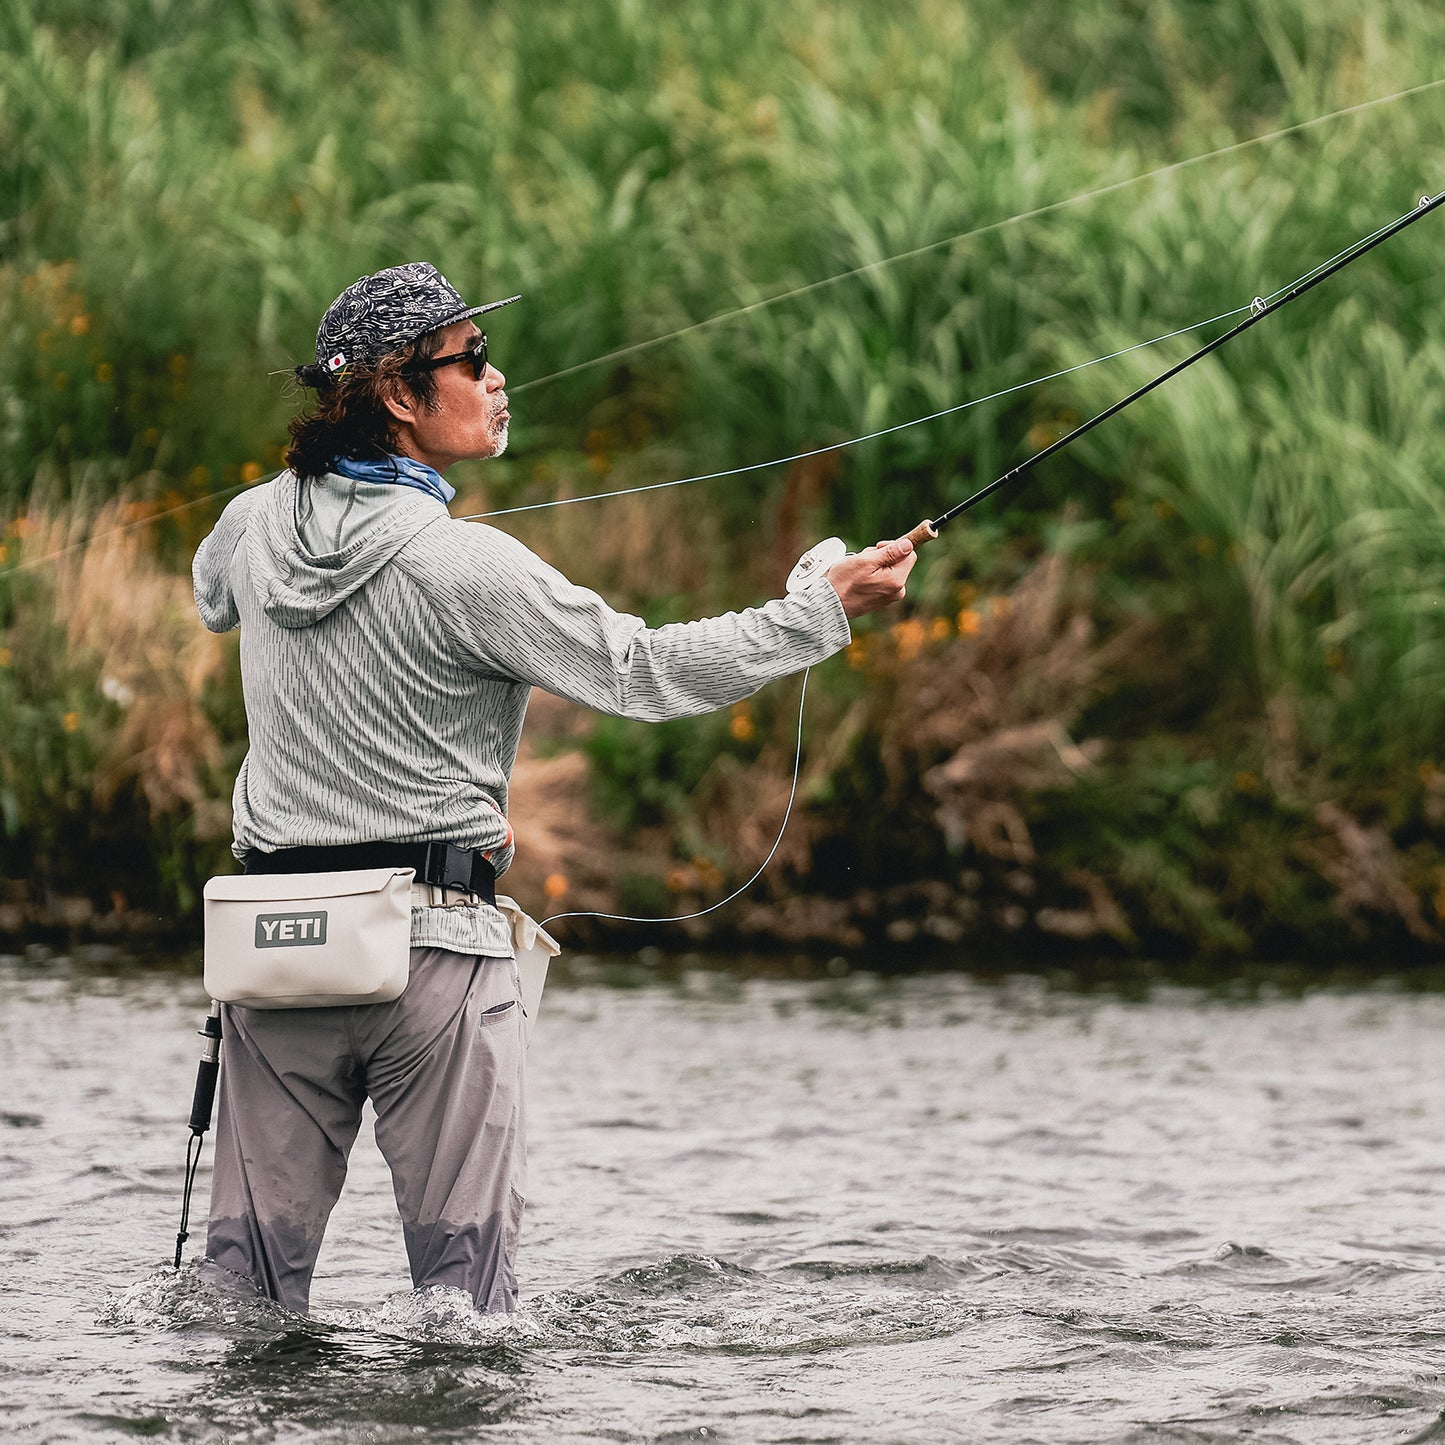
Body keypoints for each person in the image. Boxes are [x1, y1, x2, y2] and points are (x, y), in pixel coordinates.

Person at [191, 262, 917, 1314]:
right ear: (397, 393)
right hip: (432, 958)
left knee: (240, 1306)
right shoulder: (467, 565)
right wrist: (816, 609)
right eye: (471, 359)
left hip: (273, 953)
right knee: (467, 1312)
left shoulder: (251, 523)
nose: (497, 379)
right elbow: (645, 670)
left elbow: (213, 597)